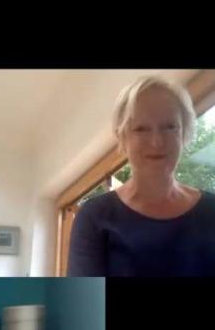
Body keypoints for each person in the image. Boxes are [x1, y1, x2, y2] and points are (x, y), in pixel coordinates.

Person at [68, 75, 215, 276]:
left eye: (170, 127)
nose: (156, 142)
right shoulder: (94, 217)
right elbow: (83, 305)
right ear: (123, 137)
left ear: (184, 133)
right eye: (141, 129)